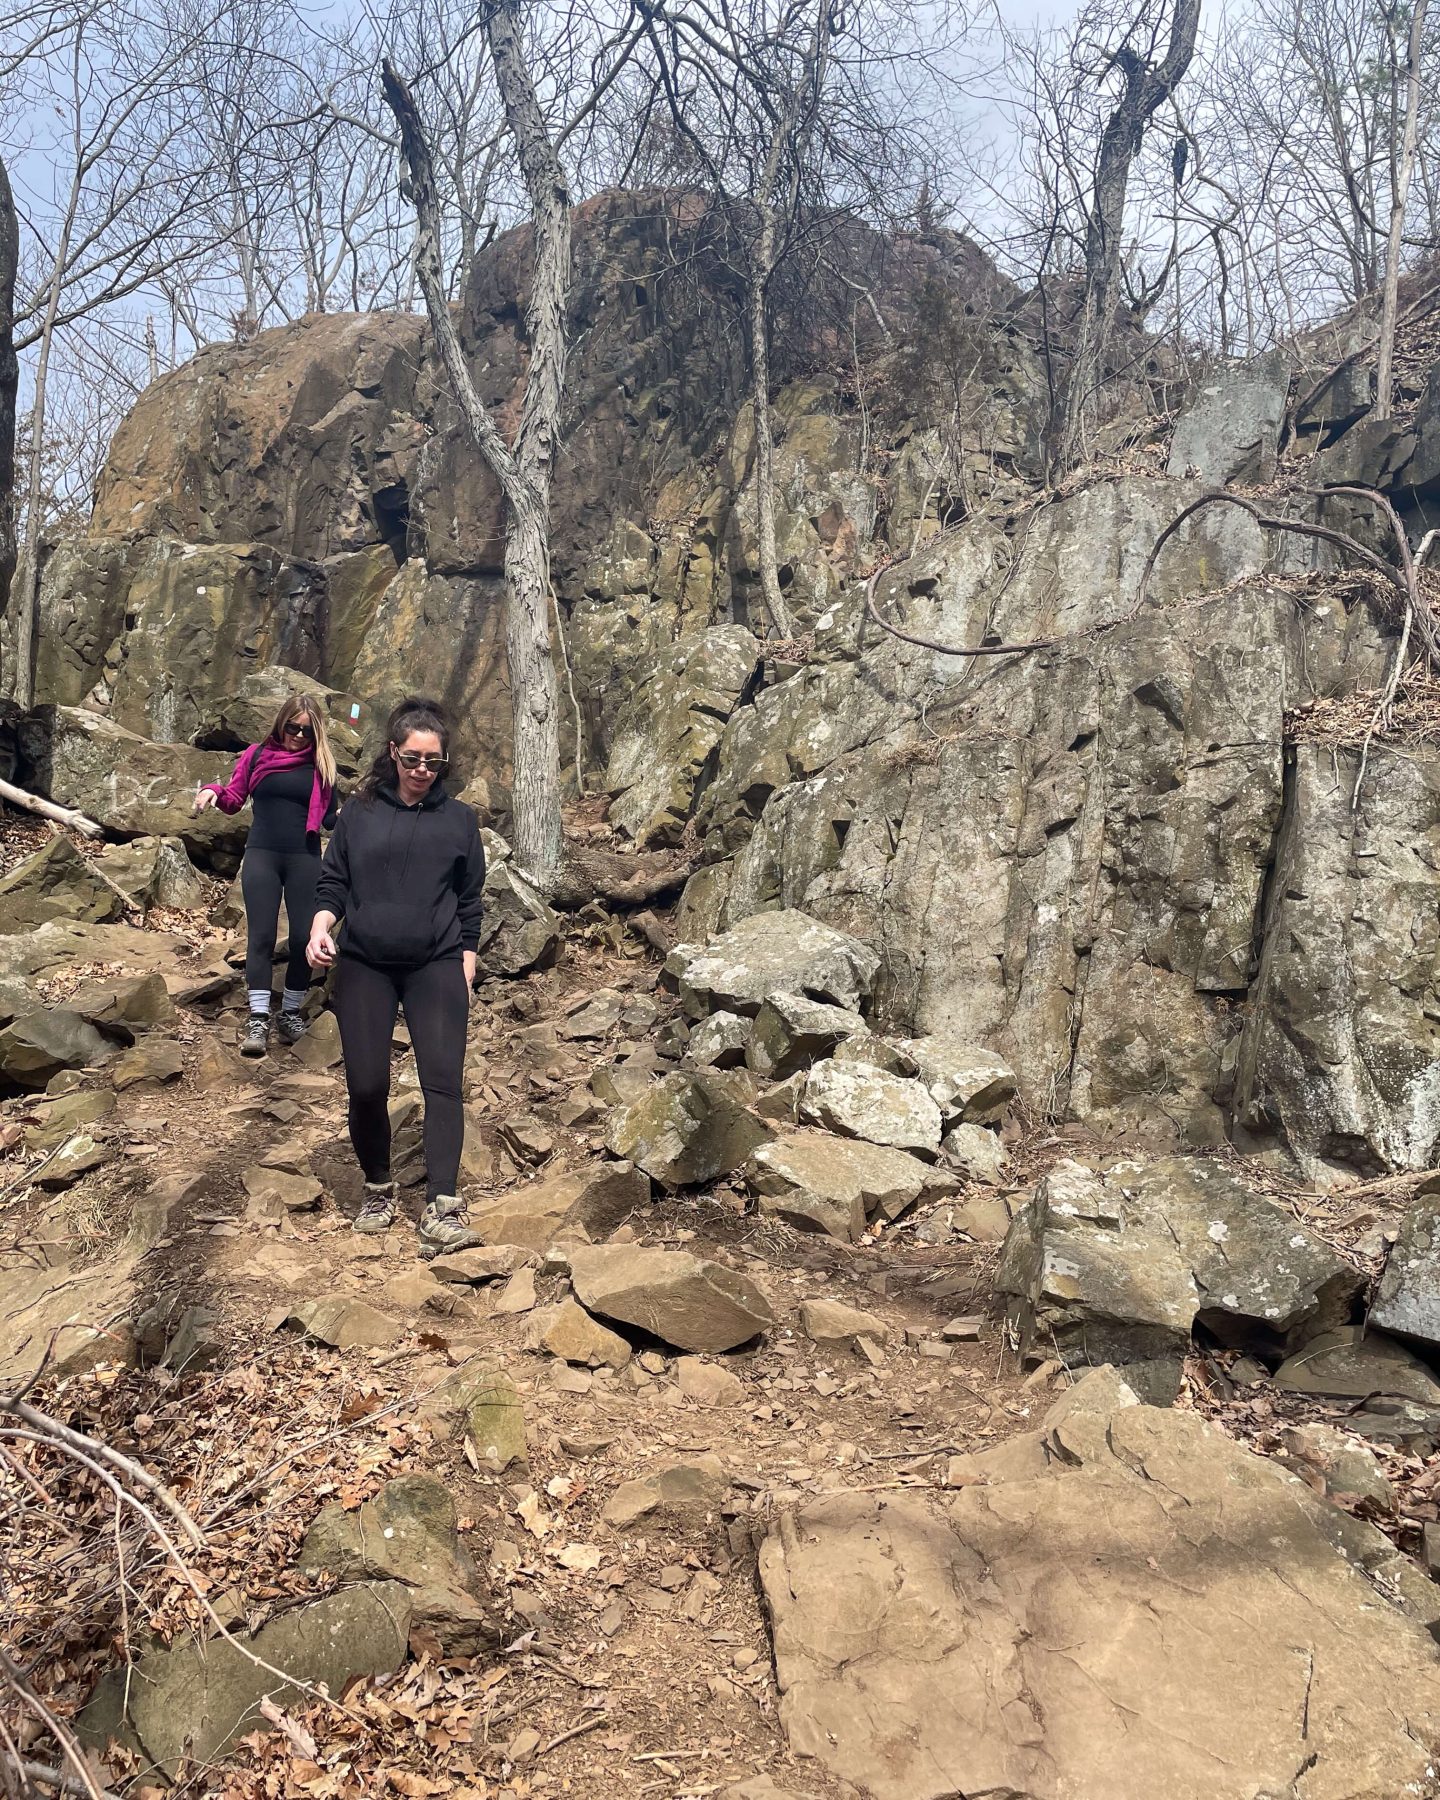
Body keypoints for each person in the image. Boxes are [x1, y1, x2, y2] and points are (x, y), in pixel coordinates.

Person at [307, 696, 487, 1258]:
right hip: (364, 963)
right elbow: (333, 880)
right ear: (393, 751)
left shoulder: (460, 820)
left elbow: (470, 898)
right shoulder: (359, 813)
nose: (422, 771)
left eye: (434, 762)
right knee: (366, 1085)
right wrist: (320, 926)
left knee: (442, 1083)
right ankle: (379, 1187)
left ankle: (443, 1206)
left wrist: (468, 955)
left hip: (436, 964)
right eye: (413, 759)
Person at [195, 693, 339, 1058]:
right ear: (281, 723)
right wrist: (212, 792)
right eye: (293, 727)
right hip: (262, 855)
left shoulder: (323, 766)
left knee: (303, 939)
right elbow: (232, 799)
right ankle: (258, 1017)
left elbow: (332, 820)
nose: (299, 736)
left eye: (308, 731)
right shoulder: (256, 755)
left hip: (304, 856)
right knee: (259, 937)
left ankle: (290, 1012)